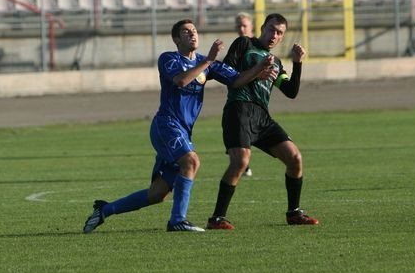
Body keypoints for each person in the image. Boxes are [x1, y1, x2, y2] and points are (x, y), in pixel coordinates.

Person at [83, 19, 274, 233]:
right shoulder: (169, 59)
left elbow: (237, 80)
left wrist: (259, 69)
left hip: (182, 130)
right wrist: (209, 61)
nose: (192, 34)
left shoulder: (205, 62)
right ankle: (177, 221)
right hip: (166, 125)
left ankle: (105, 210)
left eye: (194, 31)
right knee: (191, 161)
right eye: (186, 32)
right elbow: (181, 81)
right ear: (176, 39)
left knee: (157, 194)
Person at [207, 13, 319, 230]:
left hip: (262, 117)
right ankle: (217, 218)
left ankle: (294, 213)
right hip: (238, 109)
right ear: (262, 28)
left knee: (295, 157)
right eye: (271, 29)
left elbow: (291, 91)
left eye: (279, 33)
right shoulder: (244, 44)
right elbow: (229, 74)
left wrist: (297, 63)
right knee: (240, 161)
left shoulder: (275, 62)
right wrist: (256, 72)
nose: (274, 35)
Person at [234, 12, 255, 177]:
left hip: (256, 96)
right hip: (239, 96)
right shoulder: (238, 45)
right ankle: (242, 164)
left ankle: (242, 164)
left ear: (252, 27)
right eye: (239, 26)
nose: (241, 29)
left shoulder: (256, 45)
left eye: (244, 26)